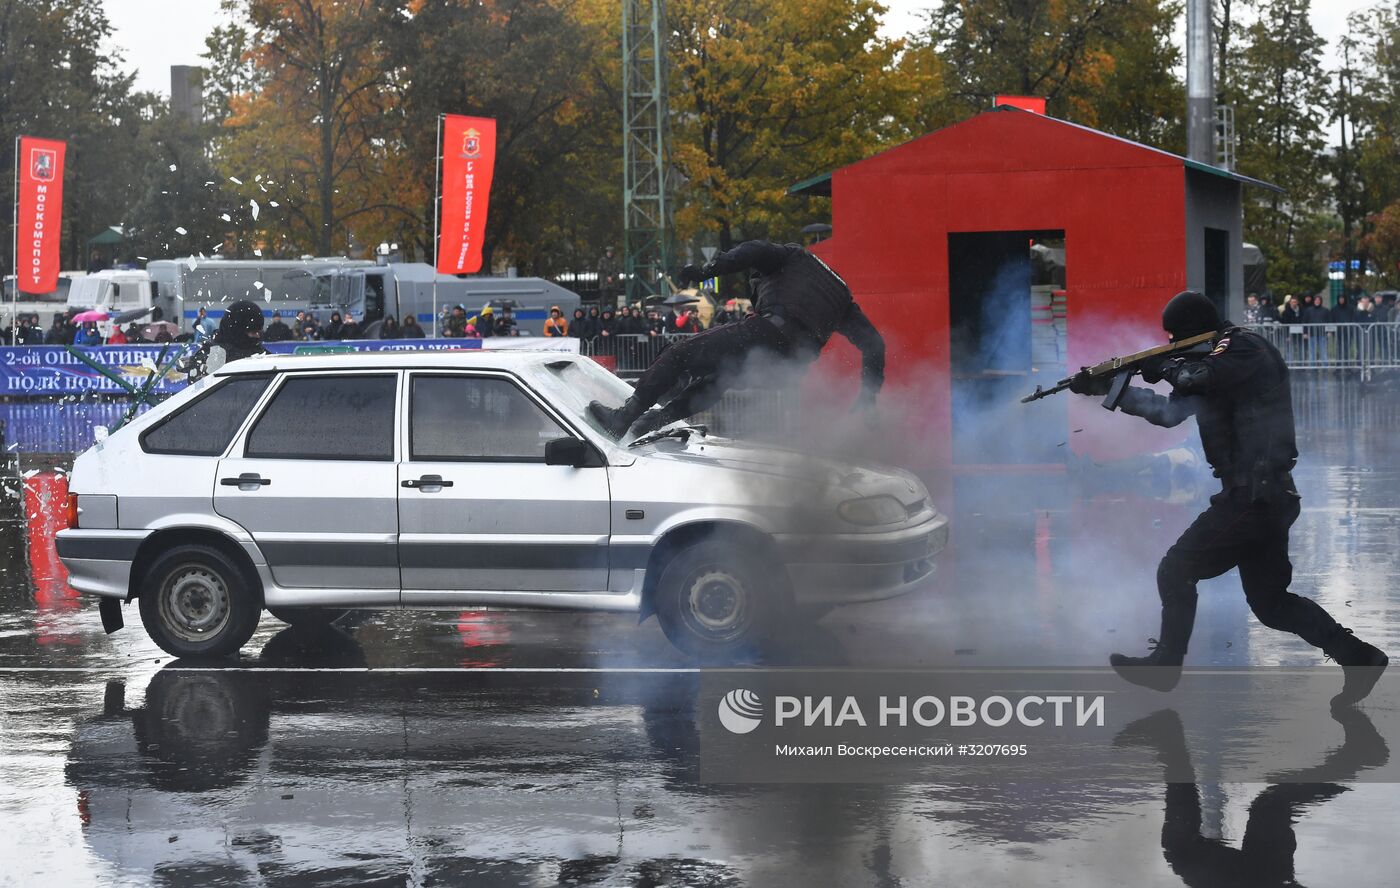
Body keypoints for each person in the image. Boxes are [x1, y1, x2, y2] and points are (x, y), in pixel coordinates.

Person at [1068, 289, 1388, 708]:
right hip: (1260, 496)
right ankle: (1360, 658)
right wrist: (1111, 389)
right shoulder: (1211, 365)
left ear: (1193, 334)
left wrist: (1159, 363)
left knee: (1176, 569)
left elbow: (1192, 377)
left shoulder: (1241, 349)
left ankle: (1167, 665)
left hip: (1255, 495)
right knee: (1272, 604)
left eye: (1174, 340)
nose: (1169, 347)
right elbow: (1170, 413)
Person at [588, 240, 886, 439]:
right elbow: (875, 344)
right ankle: (654, 422)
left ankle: (623, 419)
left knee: (680, 353)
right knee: (722, 377)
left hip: (769, 334)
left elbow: (753, 249)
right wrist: (868, 396)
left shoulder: (790, 256)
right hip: (789, 368)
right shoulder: (841, 296)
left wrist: (708, 270)